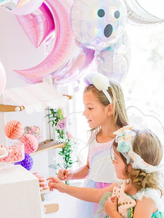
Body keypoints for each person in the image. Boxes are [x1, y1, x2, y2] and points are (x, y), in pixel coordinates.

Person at [48, 126, 164, 218]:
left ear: (132, 166)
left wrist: (112, 213)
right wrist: (64, 188)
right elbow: (97, 194)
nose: (112, 162)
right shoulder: (124, 183)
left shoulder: (147, 198)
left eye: (116, 159)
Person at [57, 71, 129, 217]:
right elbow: (90, 168)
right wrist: (71, 175)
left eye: (90, 108)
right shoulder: (94, 138)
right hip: (91, 199)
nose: (84, 113)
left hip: (113, 198)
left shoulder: (124, 140)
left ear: (109, 108)